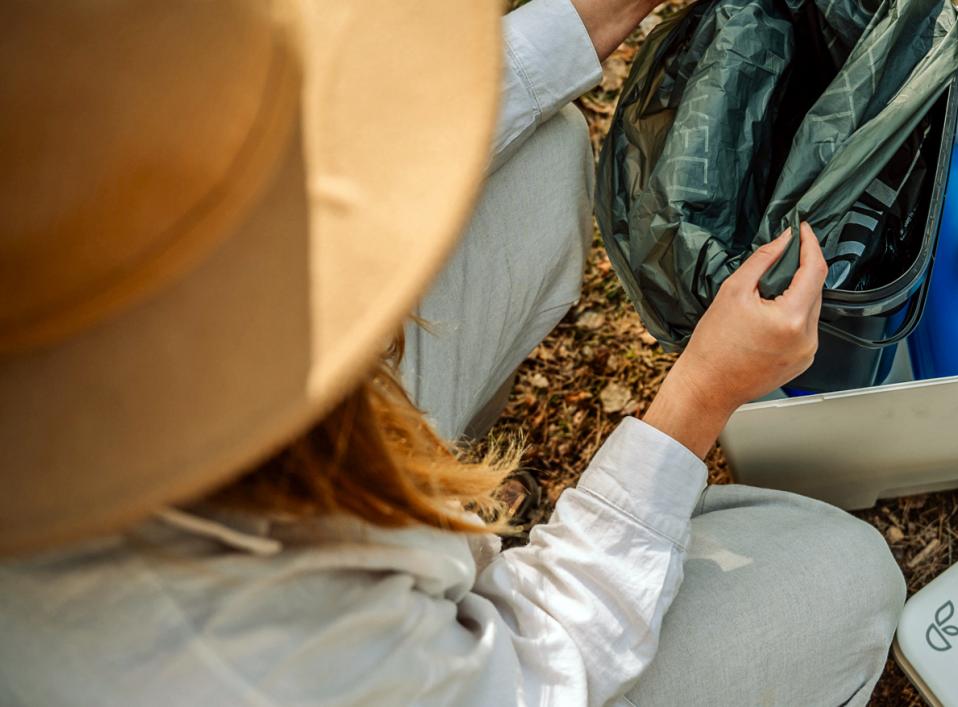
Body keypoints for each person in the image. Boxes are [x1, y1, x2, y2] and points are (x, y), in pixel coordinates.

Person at [0, 1, 905, 705]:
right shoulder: (218, 637)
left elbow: (308, 156)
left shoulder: (55, 216)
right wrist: (700, 395)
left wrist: (575, 25)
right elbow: (539, 677)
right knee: (842, 575)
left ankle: (438, 493)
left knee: (537, 157)